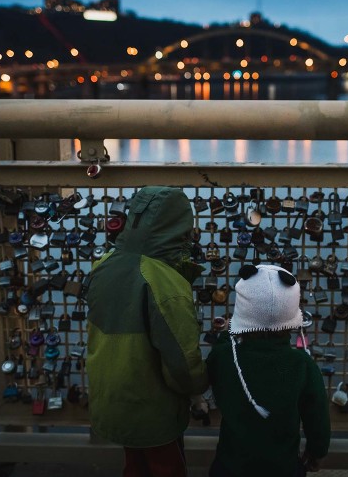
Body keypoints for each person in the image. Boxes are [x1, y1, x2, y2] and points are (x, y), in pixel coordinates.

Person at [85, 186, 208, 477]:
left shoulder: (103, 264)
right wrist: (199, 388)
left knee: (134, 467)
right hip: (152, 409)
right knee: (167, 468)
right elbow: (181, 360)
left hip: (111, 398)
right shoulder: (165, 283)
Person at [206, 264, 331, 477]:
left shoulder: (224, 357)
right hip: (283, 467)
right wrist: (316, 451)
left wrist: (230, 331)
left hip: (231, 466)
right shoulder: (301, 364)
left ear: (243, 309)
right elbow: (317, 415)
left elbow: (220, 360)